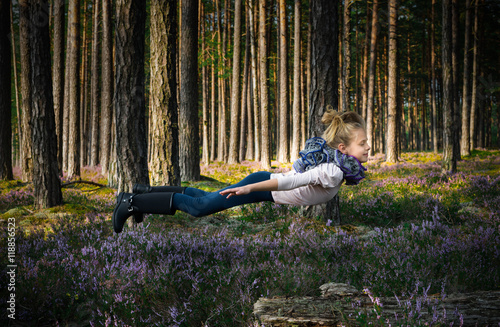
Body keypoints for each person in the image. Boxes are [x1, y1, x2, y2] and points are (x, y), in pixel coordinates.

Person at [112, 109, 370, 233]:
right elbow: (290, 184)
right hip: (262, 187)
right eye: (363, 143)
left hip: (261, 186)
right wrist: (249, 188)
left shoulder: (336, 165)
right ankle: (133, 203)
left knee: (201, 196)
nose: (368, 147)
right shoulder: (333, 171)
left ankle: (144, 192)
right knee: (199, 208)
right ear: (343, 148)